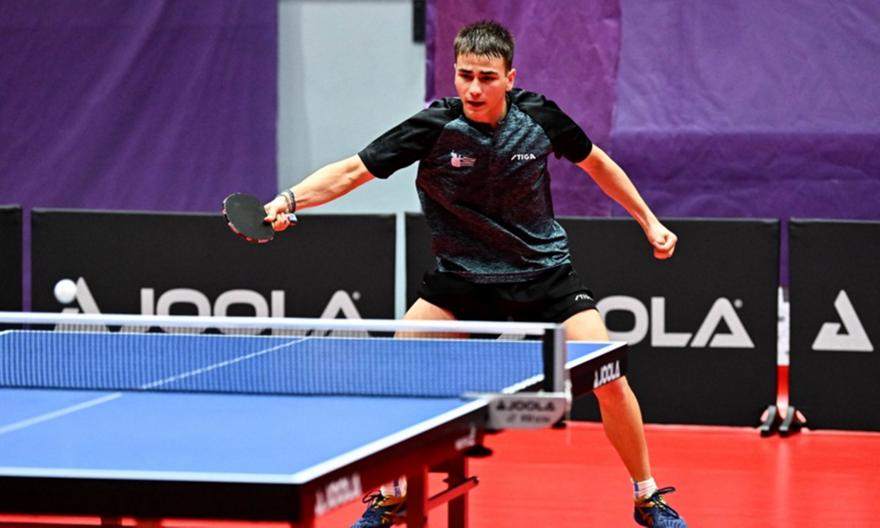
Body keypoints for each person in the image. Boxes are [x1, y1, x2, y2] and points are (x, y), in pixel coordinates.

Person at [264, 20, 686, 528]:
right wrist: (289, 200)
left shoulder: (540, 117)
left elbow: (598, 164)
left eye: (487, 77)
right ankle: (393, 494)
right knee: (392, 369)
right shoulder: (434, 127)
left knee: (609, 375)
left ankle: (647, 497)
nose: (474, 89)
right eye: (465, 75)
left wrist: (649, 221)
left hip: (542, 274)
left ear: (510, 77)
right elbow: (353, 170)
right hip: (463, 282)